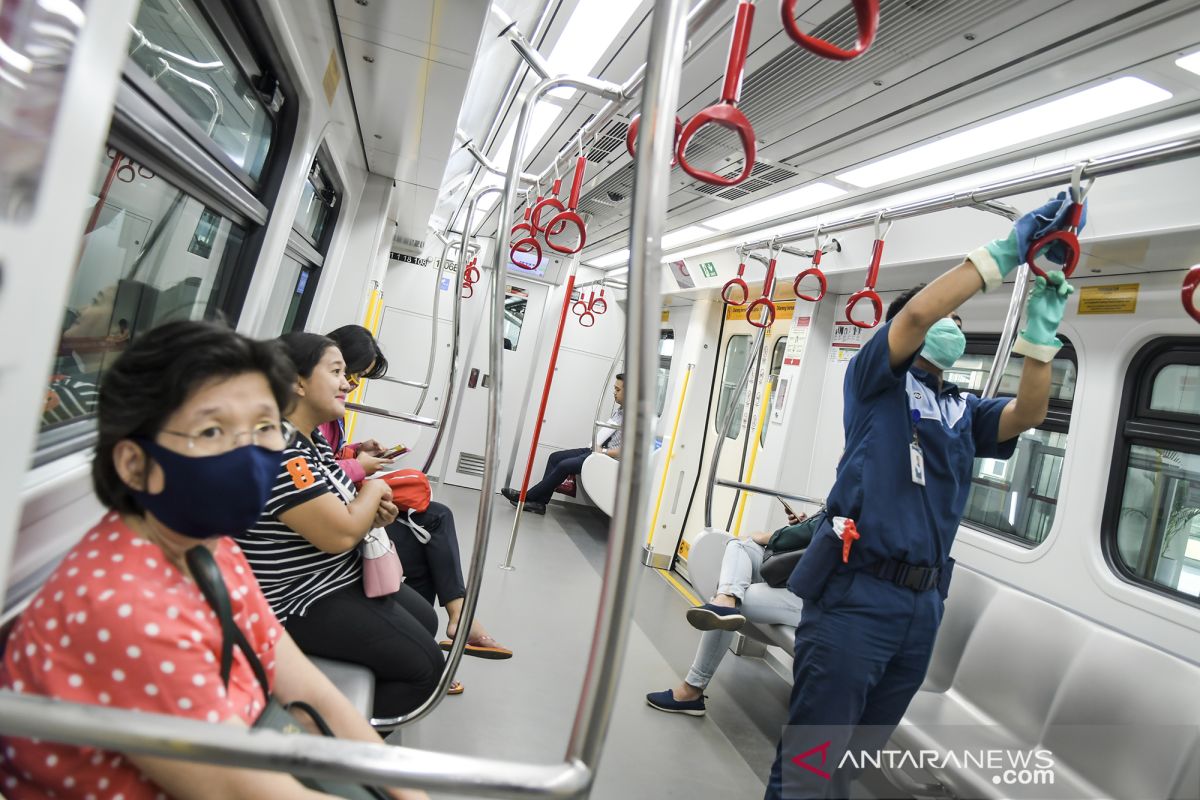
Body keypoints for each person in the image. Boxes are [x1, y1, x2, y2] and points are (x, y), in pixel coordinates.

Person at [0, 320, 426, 799]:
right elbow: (245, 790)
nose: (250, 452)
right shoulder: (122, 608)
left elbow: (310, 690)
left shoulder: (212, 547)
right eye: (211, 430)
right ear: (135, 464)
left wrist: (407, 790)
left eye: (264, 426)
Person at [765, 196, 1079, 799]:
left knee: (852, 766)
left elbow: (1030, 411)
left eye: (960, 321)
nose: (954, 326)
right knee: (811, 765)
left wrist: (1041, 337)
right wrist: (1009, 253)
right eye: (947, 317)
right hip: (856, 596)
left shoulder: (961, 409)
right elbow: (911, 321)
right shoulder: (876, 384)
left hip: (922, 605)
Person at [237, 332, 453, 720]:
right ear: (296, 381)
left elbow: (342, 507)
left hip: (331, 574)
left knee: (427, 618)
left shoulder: (312, 442)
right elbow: (338, 534)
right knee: (425, 671)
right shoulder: (280, 451)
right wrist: (374, 490)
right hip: (296, 595)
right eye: (337, 372)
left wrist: (373, 511)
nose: (346, 383)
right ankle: (334, 761)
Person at [321, 324, 511, 659]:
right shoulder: (309, 415)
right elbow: (318, 474)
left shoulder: (328, 409)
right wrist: (360, 467)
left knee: (431, 531)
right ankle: (441, 630)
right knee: (433, 524)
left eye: (351, 377)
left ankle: (429, 636)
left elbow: (328, 459)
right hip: (336, 517)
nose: (349, 385)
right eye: (346, 374)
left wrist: (356, 450)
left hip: (345, 502)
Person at [645, 511, 808, 716]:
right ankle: (725, 601)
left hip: (815, 597)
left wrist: (770, 536)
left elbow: (824, 532)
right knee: (739, 546)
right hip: (801, 574)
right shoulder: (852, 487)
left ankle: (692, 690)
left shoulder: (857, 487)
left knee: (735, 597)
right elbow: (823, 529)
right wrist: (803, 525)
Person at [502, 373, 625, 514]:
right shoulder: (620, 411)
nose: (614, 393)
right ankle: (539, 503)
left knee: (564, 465)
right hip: (596, 450)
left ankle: (526, 496)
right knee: (555, 457)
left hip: (607, 457)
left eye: (618, 390)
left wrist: (602, 452)